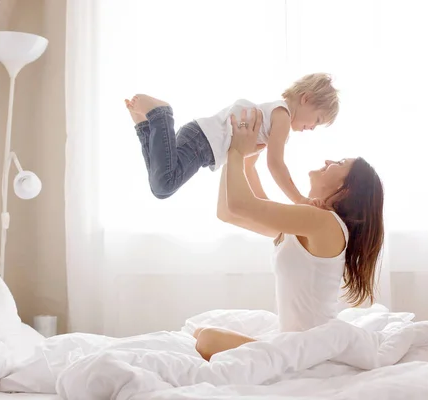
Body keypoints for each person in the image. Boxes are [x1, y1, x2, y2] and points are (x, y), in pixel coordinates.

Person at [193, 108, 384, 361]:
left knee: (206, 337)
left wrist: (236, 150)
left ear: (345, 189)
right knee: (199, 334)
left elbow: (240, 204)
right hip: (297, 343)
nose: (328, 161)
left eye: (339, 164)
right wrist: (242, 156)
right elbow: (228, 212)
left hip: (311, 347)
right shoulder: (306, 223)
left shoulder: (325, 222)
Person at [124, 73, 339, 204]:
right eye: (317, 120)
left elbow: (249, 167)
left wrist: (263, 201)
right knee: (163, 185)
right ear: (306, 98)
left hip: (198, 138)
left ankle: (145, 124)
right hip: (202, 143)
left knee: (159, 187)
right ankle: (161, 115)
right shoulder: (281, 117)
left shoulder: (269, 118)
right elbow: (275, 164)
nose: (312, 128)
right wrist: (299, 199)